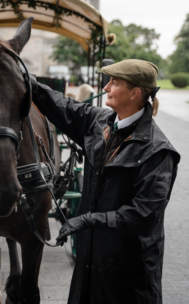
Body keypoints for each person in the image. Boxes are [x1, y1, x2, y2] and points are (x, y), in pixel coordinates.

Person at [30, 59, 180, 304]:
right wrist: (31, 84)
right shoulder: (99, 122)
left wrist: (89, 220)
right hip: (90, 262)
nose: (106, 88)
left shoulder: (158, 151)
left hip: (128, 274)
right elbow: (64, 107)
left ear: (135, 93)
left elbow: (144, 215)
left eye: (114, 82)